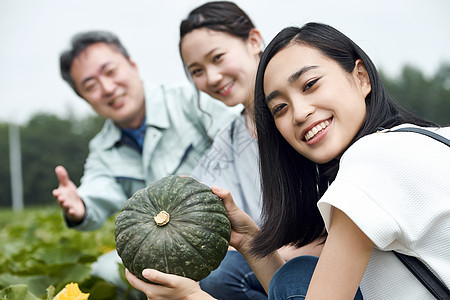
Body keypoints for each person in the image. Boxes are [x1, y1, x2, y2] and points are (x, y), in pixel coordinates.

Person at [125, 22, 450, 299]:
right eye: (280, 107)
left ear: (362, 76)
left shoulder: (371, 163)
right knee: (296, 276)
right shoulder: (416, 138)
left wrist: (193, 296)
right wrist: (251, 243)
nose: (299, 113)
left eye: (310, 85)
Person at [53, 30, 240, 297]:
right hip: (161, 249)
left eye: (110, 71)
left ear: (132, 65)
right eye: (91, 85)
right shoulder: (102, 149)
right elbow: (96, 192)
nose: (107, 88)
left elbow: (243, 145)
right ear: (84, 99)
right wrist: (80, 207)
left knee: (220, 275)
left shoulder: (189, 100)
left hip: (225, 232)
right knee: (105, 271)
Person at [178, 2, 323, 299]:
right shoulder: (226, 143)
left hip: (329, 263)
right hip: (272, 265)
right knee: (216, 273)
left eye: (218, 57)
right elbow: (196, 204)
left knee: (236, 274)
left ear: (254, 41)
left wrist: (270, 249)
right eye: (197, 71)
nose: (213, 76)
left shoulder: (309, 117)